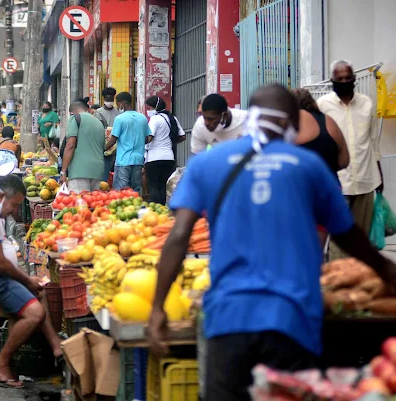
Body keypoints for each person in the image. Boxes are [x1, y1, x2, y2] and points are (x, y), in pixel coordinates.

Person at [146, 84, 396, 401]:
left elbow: (179, 236)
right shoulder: (309, 166)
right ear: (292, 122)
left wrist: (157, 308)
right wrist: (385, 270)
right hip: (292, 323)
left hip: (228, 320)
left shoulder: (206, 164)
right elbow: (348, 234)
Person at [0, 175, 63, 388]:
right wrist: (27, 280)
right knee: (35, 312)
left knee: (42, 291)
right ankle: (1, 363)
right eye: (14, 205)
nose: (15, 211)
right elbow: (0, 262)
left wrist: (28, 280)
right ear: (1, 197)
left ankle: (55, 345)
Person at [317, 60, 381, 259]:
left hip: (365, 180)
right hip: (338, 183)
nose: (344, 82)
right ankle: (339, 284)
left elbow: (372, 142)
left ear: (354, 79)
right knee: (340, 239)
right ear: (332, 81)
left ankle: (357, 282)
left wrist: (379, 176)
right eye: (339, 79)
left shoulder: (367, 103)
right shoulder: (323, 106)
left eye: (348, 78)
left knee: (361, 239)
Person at [293, 88, 350, 177]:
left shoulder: (288, 124)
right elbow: (344, 161)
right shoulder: (329, 121)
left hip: (300, 186)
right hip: (330, 184)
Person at [105, 92, 152, 192]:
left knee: (121, 191)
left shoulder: (120, 119)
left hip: (123, 161)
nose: (117, 106)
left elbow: (113, 139)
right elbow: (148, 138)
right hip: (138, 160)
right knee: (135, 190)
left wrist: (103, 149)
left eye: (117, 104)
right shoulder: (142, 118)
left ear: (122, 103)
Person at [144, 96, 186, 205]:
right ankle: (162, 208)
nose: (148, 111)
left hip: (154, 158)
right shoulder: (172, 118)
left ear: (155, 107)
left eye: (149, 108)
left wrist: (139, 140)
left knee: (153, 186)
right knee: (163, 185)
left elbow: (149, 138)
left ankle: (156, 210)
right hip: (169, 157)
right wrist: (168, 143)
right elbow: (182, 136)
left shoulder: (155, 119)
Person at [60, 101, 105, 192]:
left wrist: (63, 171)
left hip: (79, 171)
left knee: (79, 203)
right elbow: (103, 147)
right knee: (93, 203)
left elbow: (70, 145)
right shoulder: (98, 122)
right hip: (97, 170)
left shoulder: (75, 118)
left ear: (71, 112)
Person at [95, 87, 121, 181]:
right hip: (104, 148)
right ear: (103, 99)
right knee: (104, 174)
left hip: (116, 147)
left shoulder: (118, 113)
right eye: (107, 99)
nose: (109, 101)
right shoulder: (98, 113)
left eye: (111, 99)